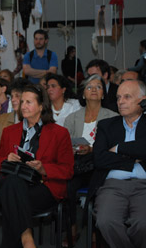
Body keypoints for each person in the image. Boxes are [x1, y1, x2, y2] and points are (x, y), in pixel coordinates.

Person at [0, 84, 74, 248]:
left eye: (29, 102)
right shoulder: (9, 131)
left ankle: (27, 240)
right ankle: (27, 239)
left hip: (42, 187)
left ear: (41, 106)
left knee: (11, 196)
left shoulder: (59, 133)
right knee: (13, 184)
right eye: (22, 101)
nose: (23, 105)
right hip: (12, 184)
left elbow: (67, 170)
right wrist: (7, 159)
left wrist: (43, 168)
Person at [87, 80, 146, 248]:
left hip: (144, 186)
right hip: (112, 186)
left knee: (143, 225)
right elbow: (99, 159)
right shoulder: (106, 125)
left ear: (142, 100)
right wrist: (133, 158)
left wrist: (119, 148)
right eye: (119, 97)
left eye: (127, 97)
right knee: (105, 221)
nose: (120, 101)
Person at [63, 75, 117, 246]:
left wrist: (92, 149)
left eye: (98, 87)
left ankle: (95, 232)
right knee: (67, 186)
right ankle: (72, 227)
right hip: (78, 164)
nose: (94, 89)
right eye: (89, 87)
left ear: (103, 94)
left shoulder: (113, 117)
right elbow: (63, 145)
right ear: (83, 94)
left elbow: (116, 147)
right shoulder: (72, 118)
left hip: (100, 165)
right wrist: (72, 149)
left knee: (98, 190)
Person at [0, 78, 30, 175]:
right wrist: (5, 160)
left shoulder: (32, 121)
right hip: (4, 169)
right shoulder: (2, 119)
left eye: (17, 96)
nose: (13, 100)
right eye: (12, 96)